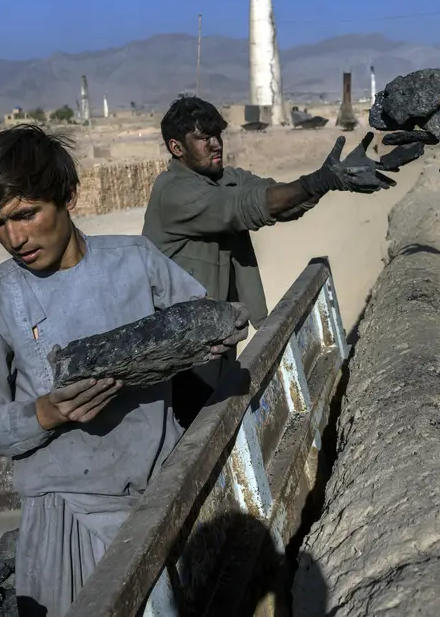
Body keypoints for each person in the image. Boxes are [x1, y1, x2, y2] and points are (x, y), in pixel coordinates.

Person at [0, 124, 247, 617]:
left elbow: (209, 324)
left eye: (26, 214)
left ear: (68, 195)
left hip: (165, 493)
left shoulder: (136, 261)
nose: (14, 238)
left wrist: (215, 340)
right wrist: (44, 414)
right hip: (68, 518)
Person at [142, 95, 421, 423]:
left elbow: (277, 200)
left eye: (218, 135)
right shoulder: (175, 192)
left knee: (214, 417)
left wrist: (331, 180)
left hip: (216, 332)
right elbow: (242, 207)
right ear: (177, 148)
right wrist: (319, 181)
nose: (216, 144)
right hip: (179, 345)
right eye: (203, 138)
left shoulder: (226, 178)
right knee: (190, 430)